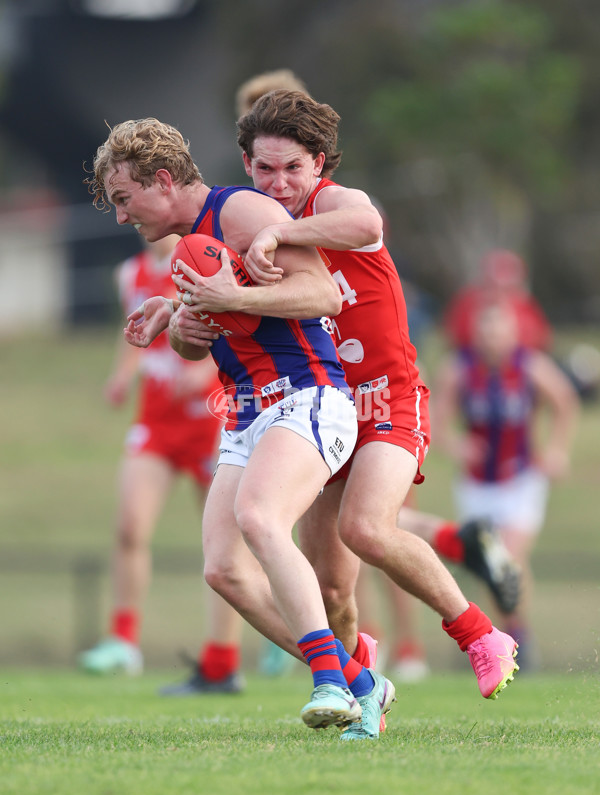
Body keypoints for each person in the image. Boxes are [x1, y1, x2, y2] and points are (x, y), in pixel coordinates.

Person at [172, 91, 520, 740]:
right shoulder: (241, 226)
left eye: (293, 169)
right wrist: (179, 318)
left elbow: (366, 225)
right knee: (332, 591)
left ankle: (480, 635)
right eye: (264, 169)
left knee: (366, 525)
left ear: (318, 165)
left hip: (387, 394)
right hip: (319, 405)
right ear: (246, 165)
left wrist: (282, 228)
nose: (278, 184)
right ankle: (366, 696)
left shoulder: (327, 205)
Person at [86, 116, 396, 735]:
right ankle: (365, 683)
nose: (121, 217)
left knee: (260, 517)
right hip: (248, 412)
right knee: (223, 570)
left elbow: (322, 296)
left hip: (310, 396)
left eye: (125, 199)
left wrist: (230, 300)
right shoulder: (185, 248)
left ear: (163, 180)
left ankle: (330, 683)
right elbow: (204, 346)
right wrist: (180, 327)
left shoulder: (241, 211)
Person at [77, 234, 246, 690]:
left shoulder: (206, 258)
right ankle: (123, 641)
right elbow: (131, 329)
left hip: (212, 420)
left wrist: (204, 371)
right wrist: (122, 375)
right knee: (130, 526)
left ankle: (223, 658)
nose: (126, 216)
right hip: (156, 419)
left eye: (132, 197)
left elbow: (240, 326)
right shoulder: (129, 273)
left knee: (223, 548)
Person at [433, 301, 579, 669]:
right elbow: (436, 420)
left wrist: (556, 450)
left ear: (513, 334)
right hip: (477, 483)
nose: (492, 339)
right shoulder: (460, 369)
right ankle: (495, 636)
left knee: (510, 557)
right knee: (489, 562)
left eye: (499, 331)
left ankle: (517, 638)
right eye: (486, 331)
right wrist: (456, 444)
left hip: (521, 478)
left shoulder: (529, 366)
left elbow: (565, 401)